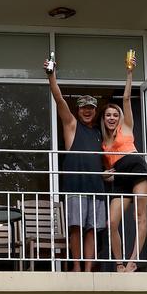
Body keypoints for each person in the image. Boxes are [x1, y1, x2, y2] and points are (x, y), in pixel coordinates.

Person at [45, 59, 106, 272]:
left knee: (91, 230)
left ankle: (88, 269)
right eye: (83, 108)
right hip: (76, 187)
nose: (87, 111)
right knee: (76, 228)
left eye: (91, 108)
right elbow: (59, 99)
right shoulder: (71, 126)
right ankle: (77, 267)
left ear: (95, 111)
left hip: (97, 189)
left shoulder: (100, 134)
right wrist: (51, 76)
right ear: (78, 110)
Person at [101, 55, 147, 272]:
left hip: (137, 168)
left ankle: (133, 261)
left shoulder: (127, 128)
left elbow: (126, 100)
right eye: (108, 115)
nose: (112, 118)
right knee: (111, 223)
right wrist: (106, 175)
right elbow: (109, 172)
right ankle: (120, 264)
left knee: (139, 216)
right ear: (104, 119)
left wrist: (129, 73)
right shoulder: (104, 144)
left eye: (115, 115)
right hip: (121, 177)